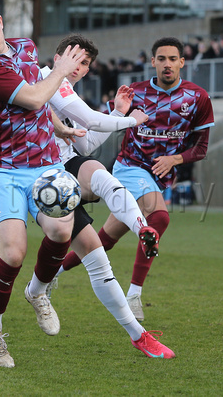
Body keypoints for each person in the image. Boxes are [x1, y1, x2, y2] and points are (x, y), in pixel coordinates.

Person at [0, 0, 89, 368]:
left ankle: (38, 291)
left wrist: (59, 127)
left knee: (62, 232)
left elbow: (42, 105)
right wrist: (61, 70)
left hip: (45, 165)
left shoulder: (26, 48)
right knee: (13, 253)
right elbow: (32, 98)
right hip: (5, 168)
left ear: (1, 21)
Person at [55, 36, 215, 322]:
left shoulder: (198, 97)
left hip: (160, 174)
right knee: (160, 218)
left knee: (104, 239)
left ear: (182, 62)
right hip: (130, 166)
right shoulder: (134, 93)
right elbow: (98, 126)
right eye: (161, 59)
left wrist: (175, 159)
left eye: (172, 59)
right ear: (152, 61)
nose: (167, 64)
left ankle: (53, 273)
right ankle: (134, 295)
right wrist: (117, 112)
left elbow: (200, 147)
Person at [41, 34, 175, 359]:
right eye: (76, 58)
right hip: (38, 172)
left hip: (65, 165)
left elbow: (85, 144)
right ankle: (33, 293)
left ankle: (142, 228)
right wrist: (128, 119)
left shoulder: (65, 88)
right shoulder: (44, 78)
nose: (80, 67)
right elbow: (89, 120)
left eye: (86, 64)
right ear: (59, 56)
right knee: (14, 255)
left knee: (104, 185)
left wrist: (114, 112)